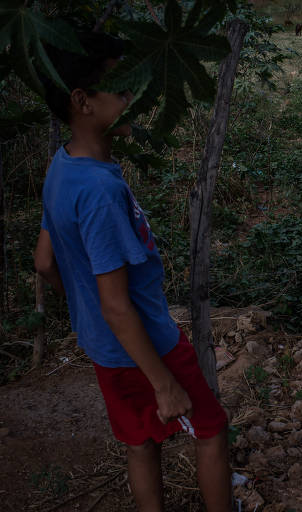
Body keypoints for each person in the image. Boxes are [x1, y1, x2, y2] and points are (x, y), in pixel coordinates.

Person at [33, 32, 231, 512]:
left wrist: (89, 316)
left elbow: (44, 261)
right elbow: (117, 304)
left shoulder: (63, 167)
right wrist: (163, 382)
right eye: (122, 90)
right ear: (82, 100)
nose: (132, 100)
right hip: (147, 343)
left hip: (106, 349)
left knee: (140, 443)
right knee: (211, 432)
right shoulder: (100, 192)